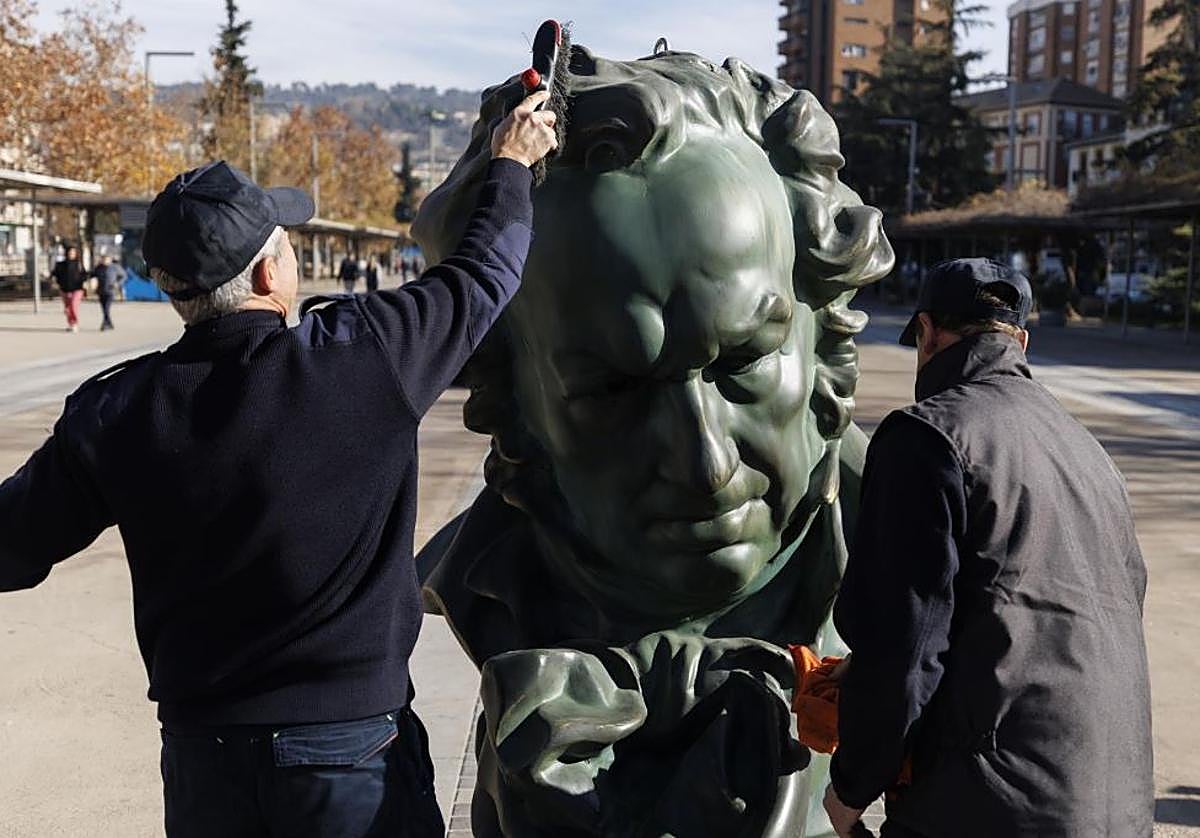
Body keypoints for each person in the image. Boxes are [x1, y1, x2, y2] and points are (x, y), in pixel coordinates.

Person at [0, 88, 557, 838]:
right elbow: (485, 273)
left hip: (206, 766)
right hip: (353, 759)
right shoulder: (365, 358)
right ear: (270, 275)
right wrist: (512, 162)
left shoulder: (117, 412)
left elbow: (11, 544)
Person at [822, 258, 1153, 837]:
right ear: (1020, 341)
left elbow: (903, 645)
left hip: (984, 808)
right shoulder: (1091, 454)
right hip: (1114, 803)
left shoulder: (928, 437)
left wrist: (852, 786)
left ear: (925, 333)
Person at [51, 246, 86, 332]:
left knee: (73, 306)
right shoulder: (60, 264)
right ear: (66, 253)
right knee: (67, 308)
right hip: (64, 289)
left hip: (77, 289)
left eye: (73, 253)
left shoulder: (79, 264)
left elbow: (84, 275)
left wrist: (83, 281)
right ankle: (71, 323)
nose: (71, 254)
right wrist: (55, 282)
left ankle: (75, 323)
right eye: (70, 253)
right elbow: (55, 274)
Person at [94, 255, 126, 331]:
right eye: (103, 259)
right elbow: (93, 275)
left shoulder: (115, 267)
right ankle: (110, 324)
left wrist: (117, 283)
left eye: (107, 260)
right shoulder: (98, 268)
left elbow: (124, 276)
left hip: (110, 291)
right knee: (104, 309)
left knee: (106, 308)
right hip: (101, 291)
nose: (105, 261)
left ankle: (104, 325)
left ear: (110, 260)